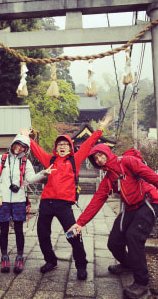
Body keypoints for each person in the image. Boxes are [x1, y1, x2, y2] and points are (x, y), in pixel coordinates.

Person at [69, 144, 158, 298]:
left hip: (148, 203)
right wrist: (80, 223)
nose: (99, 160)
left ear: (107, 152)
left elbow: (146, 173)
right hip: (130, 208)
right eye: (95, 158)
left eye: (100, 155)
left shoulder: (127, 161)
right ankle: (128, 265)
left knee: (134, 236)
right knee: (114, 242)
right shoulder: (108, 179)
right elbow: (96, 201)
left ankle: (141, 282)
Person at [21, 115, 112, 280]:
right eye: (59, 144)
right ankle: (51, 261)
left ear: (70, 147)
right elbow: (37, 150)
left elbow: (88, 143)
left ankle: (81, 265)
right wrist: (27, 138)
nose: (62, 147)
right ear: (56, 147)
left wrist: (101, 128)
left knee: (73, 235)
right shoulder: (50, 159)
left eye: (65, 144)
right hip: (46, 203)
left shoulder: (75, 160)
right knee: (42, 234)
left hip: (64, 205)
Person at [0, 134, 53, 274]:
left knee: (19, 230)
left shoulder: (26, 162)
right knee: (4, 230)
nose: (19, 148)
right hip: (3, 200)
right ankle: (4, 256)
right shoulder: (1, 159)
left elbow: (30, 179)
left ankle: (19, 256)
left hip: (19, 200)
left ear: (26, 149)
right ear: (13, 144)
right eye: (17, 144)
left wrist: (43, 172)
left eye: (23, 146)